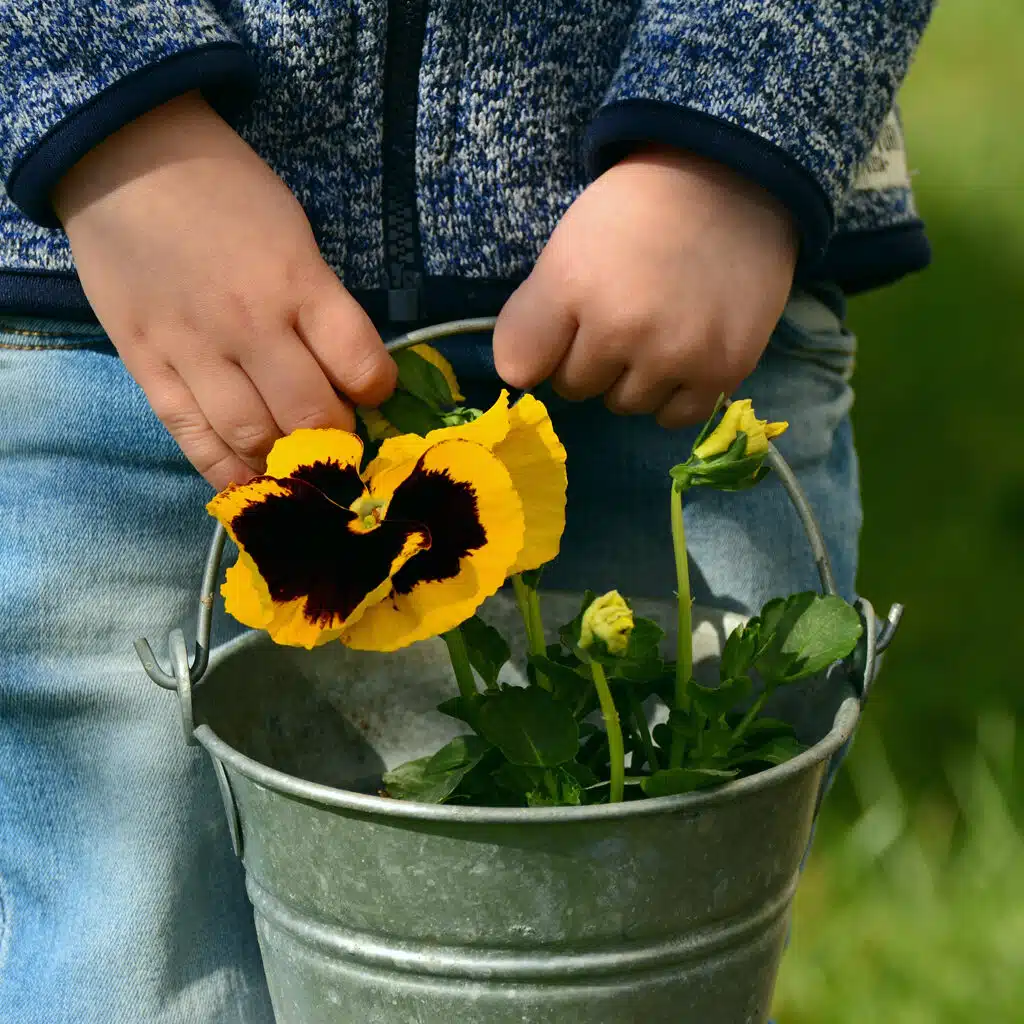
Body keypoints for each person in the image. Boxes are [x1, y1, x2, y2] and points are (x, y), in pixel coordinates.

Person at [0, 2, 934, 1021]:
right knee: (128, 961)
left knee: (653, 937)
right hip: (134, 284)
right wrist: (108, 114)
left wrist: (738, 129)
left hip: (683, 277)